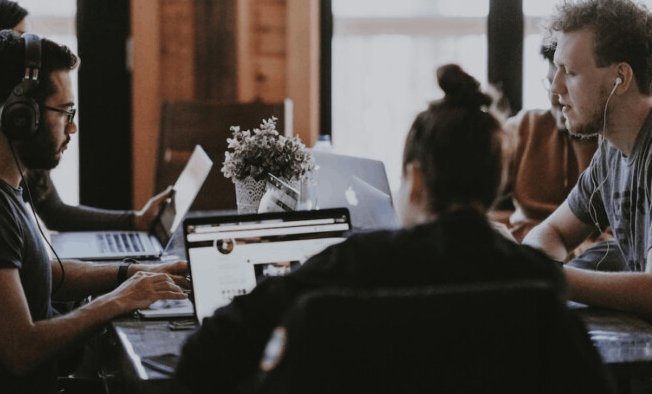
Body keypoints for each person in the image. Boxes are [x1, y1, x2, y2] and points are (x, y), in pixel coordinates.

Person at [174, 64, 568, 393]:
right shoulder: (538, 281)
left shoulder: (349, 265)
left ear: (415, 182)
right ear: (497, 183)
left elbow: (203, 354)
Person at [0, 30, 189, 393]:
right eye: (66, 112)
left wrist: (135, 272)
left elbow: (43, 272)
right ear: (20, 116)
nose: (72, 127)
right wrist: (121, 299)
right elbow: (21, 349)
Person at [0, 0, 169, 232]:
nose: (32, 56)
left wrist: (136, 220)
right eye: (19, 38)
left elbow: (55, 212)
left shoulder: (26, 122)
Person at [523, 0, 652, 313]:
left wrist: (548, 277)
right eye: (556, 70)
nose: (555, 89)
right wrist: (542, 269)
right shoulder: (611, 150)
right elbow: (551, 231)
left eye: (571, 72)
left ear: (620, 79)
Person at [497, 37, 626, 271]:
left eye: (570, 82)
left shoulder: (614, 147)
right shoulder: (524, 128)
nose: (555, 97)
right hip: (535, 248)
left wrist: (548, 271)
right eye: (549, 83)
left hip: (585, 259)